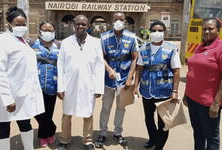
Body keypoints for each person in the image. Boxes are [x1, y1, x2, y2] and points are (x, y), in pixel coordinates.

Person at [0, 6, 44, 150]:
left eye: (23, 24)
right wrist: (7, 98)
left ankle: (28, 148)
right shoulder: (1, 42)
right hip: (9, 93)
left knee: (25, 122)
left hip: (23, 93)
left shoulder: (22, 41)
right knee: (2, 123)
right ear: (9, 24)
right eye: (17, 24)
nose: (21, 27)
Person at [183, 18, 222, 150]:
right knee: (198, 133)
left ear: (218, 30)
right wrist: (186, 94)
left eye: (210, 28)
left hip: (208, 103)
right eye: (204, 28)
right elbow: (192, 72)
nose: (206, 31)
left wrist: (216, 103)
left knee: (211, 137)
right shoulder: (200, 47)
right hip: (193, 100)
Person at [57, 14, 105, 150]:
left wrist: (98, 88)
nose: (80, 26)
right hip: (69, 84)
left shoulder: (95, 42)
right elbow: (60, 65)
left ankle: (88, 140)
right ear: (74, 25)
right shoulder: (66, 42)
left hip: (88, 84)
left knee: (88, 113)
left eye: (83, 24)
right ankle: (64, 140)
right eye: (78, 24)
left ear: (87, 26)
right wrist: (60, 87)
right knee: (67, 113)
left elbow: (99, 66)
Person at [133, 20, 181, 150]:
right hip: (147, 91)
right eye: (154, 30)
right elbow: (140, 68)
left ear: (164, 32)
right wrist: (135, 86)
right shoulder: (143, 49)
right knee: (149, 119)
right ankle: (152, 139)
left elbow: (176, 71)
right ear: (150, 32)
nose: (157, 33)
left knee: (163, 122)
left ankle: (159, 146)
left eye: (160, 30)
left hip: (164, 91)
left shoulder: (171, 49)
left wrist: (175, 90)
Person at [95, 11, 139, 148]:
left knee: (121, 107)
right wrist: (109, 70)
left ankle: (117, 133)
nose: (119, 21)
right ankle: (102, 133)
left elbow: (135, 58)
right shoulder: (104, 37)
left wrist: (130, 77)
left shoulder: (132, 38)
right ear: (111, 21)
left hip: (124, 79)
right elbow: (101, 57)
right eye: (116, 19)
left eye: (121, 19)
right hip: (108, 79)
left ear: (125, 20)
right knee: (105, 107)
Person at [29, 21, 59, 148]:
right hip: (35, 84)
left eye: (50, 30)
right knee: (37, 111)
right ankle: (51, 128)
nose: (47, 32)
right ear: (40, 31)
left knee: (48, 111)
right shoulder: (31, 44)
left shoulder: (59, 45)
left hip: (52, 83)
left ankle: (43, 135)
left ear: (54, 32)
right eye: (45, 30)